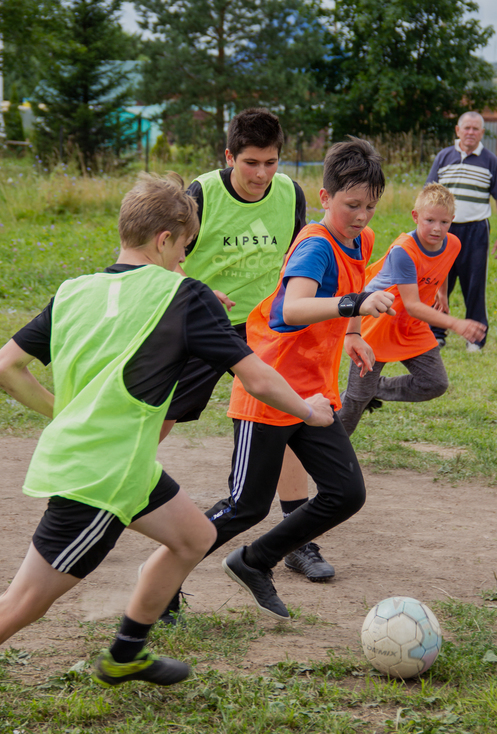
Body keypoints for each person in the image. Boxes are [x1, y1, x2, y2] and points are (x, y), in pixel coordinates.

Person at [0, 173, 334, 684]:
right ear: (164, 239)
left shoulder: (75, 290)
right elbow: (254, 374)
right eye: (184, 249)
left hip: (124, 464)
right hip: (103, 477)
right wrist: (308, 410)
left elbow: (3, 367)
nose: (184, 262)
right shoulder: (184, 295)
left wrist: (64, 413)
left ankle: (126, 654)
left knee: (194, 537)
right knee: (23, 603)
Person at [152, 138, 394, 621]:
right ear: (324, 199)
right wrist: (354, 308)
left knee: (346, 493)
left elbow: (353, 289)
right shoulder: (314, 245)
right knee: (246, 505)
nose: (362, 216)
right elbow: (292, 308)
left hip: (314, 394)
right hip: (270, 390)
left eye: (369, 206)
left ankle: (254, 560)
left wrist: (351, 334)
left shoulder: (361, 240)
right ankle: (157, 584)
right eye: (351, 205)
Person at [160, 107, 335, 588]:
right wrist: (193, 290)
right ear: (229, 155)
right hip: (199, 321)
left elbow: (295, 258)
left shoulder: (289, 194)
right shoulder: (200, 193)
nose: (261, 174)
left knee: (288, 416)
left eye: (271, 162)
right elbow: (163, 257)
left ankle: (298, 540)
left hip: (264, 330)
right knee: (158, 419)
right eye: (251, 162)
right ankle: (101, 501)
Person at [337, 183, 487, 436]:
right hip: (378, 323)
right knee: (355, 402)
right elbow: (413, 305)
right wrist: (456, 323)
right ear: (416, 216)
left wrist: (441, 292)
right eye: (430, 220)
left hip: (410, 326)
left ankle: (375, 389)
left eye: (444, 222)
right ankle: (328, 450)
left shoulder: (452, 243)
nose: (437, 229)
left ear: (452, 221)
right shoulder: (404, 252)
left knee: (434, 383)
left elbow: (444, 264)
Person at [426, 111, 497, 352]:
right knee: (439, 280)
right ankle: (436, 333)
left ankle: (475, 337)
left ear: (482, 133)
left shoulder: (490, 160)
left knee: (474, 285)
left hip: (476, 230)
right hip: (444, 230)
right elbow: (429, 194)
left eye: (476, 129)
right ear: (458, 130)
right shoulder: (444, 157)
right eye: (467, 128)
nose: (471, 132)